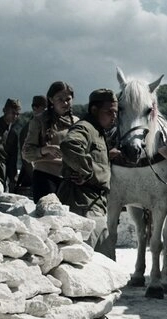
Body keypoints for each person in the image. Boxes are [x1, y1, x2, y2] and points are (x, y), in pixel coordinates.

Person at [57, 89, 117, 253]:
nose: (114, 116)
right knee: (89, 258)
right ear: (94, 110)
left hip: (94, 203)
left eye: (115, 112)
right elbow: (70, 145)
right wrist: (87, 171)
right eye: (109, 112)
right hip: (83, 204)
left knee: (104, 260)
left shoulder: (97, 131)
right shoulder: (85, 127)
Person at [23, 81, 79, 202]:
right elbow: (26, 153)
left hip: (70, 180)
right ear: (51, 99)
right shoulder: (39, 121)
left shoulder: (77, 123)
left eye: (68, 99)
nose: (65, 103)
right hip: (45, 178)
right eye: (60, 99)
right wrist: (46, 149)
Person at [6, 95, 45, 194]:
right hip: (34, 178)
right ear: (35, 108)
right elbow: (27, 160)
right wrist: (36, 179)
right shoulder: (29, 129)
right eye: (44, 108)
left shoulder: (47, 125)